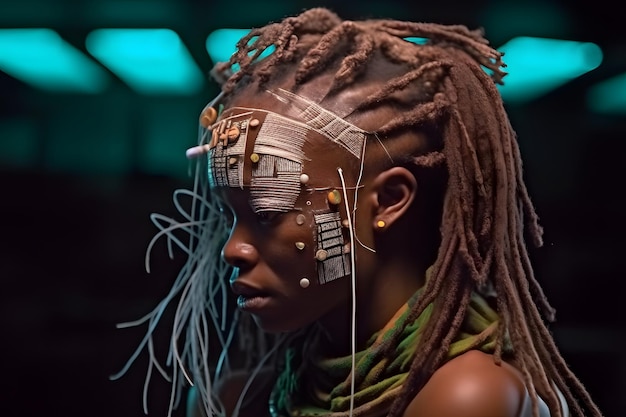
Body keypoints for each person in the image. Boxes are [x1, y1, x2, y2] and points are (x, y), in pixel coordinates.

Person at [115, 7, 604, 417]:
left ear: (388, 201)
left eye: (266, 214)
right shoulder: (246, 395)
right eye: (230, 216)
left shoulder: (468, 397)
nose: (234, 249)